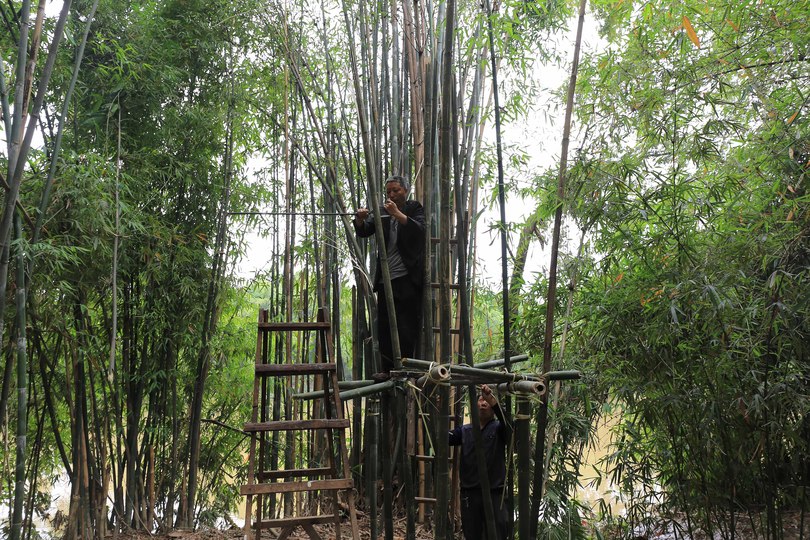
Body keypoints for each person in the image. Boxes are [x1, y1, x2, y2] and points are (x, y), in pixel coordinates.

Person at [354, 175, 425, 380]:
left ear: (406, 190)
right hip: (386, 278)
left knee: (406, 325)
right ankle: (387, 369)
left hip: (407, 278)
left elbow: (419, 230)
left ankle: (405, 368)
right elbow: (365, 230)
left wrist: (397, 214)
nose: (392, 195)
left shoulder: (414, 208)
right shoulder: (383, 211)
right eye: (389, 192)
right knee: (384, 325)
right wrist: (360, 219)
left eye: (396, 190)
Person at [449, 384, 511, 540]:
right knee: (472, 534)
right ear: (474, 405)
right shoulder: (465, 430)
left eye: (487, 401)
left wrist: (493, 401)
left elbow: (509, 427)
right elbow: (444, 437)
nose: (484, 403)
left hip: (495, 492)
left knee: (497, 534)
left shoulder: (499, 428)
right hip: (470, 493)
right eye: (481, 399)